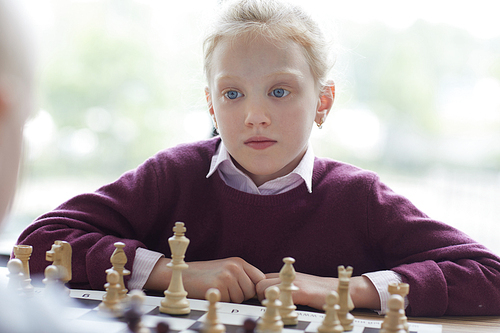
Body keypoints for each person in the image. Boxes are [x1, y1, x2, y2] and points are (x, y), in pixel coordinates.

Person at [15, 0, 500, 317]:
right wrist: (173, 271)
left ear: (323, 102)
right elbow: (39, 242)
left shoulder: (359, 196)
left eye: (280, 90)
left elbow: (489, 275)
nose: (254, 116)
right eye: (232, 94)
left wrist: (346, 291)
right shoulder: (172, 176)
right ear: (211, 104)